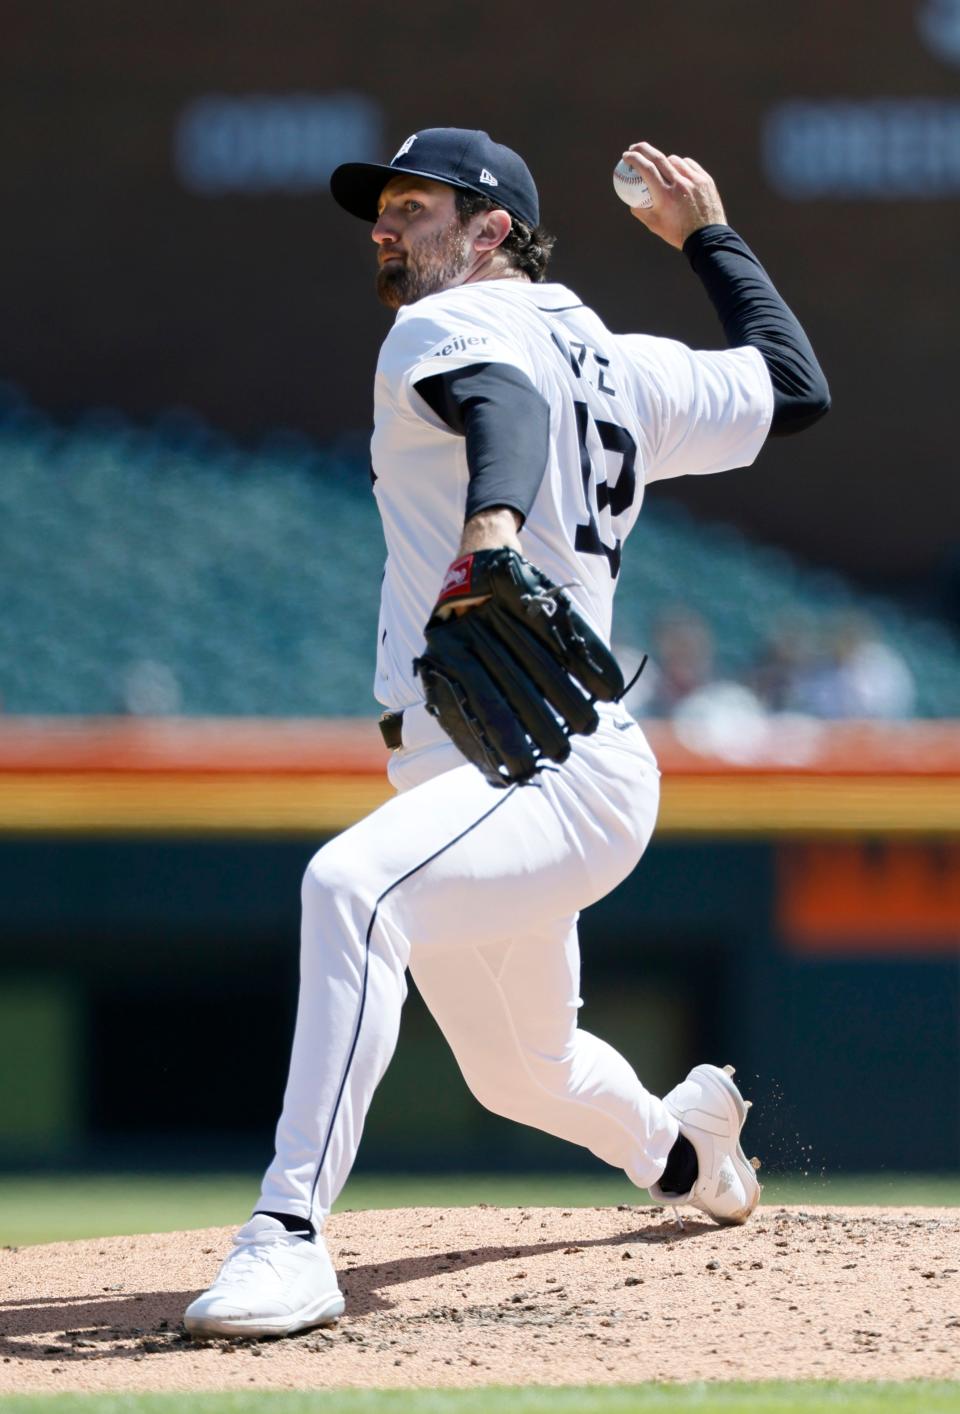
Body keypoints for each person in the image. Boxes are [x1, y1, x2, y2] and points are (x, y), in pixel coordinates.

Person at [184, 128, 829, 1338]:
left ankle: (288, 1235)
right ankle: (691, 1152)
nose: (385, 224)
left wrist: (491, 533)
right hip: (492, 754)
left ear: (491, 234)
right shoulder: (622, 361)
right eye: (382, 205)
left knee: (353, 888)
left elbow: (504, 409)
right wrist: (709, 240)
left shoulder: (442, 327)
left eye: (416, 207)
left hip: (547, 757)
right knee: (521, 1069)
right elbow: (792, 386)